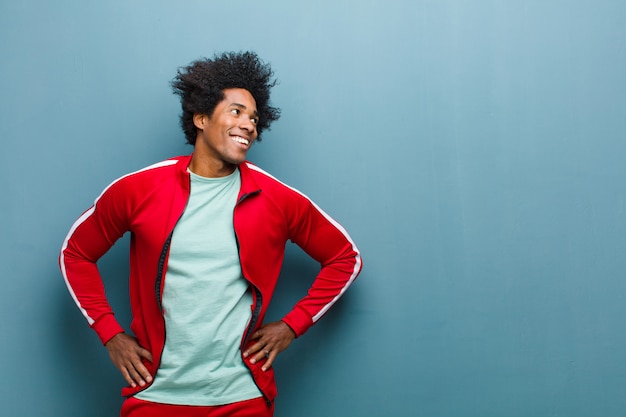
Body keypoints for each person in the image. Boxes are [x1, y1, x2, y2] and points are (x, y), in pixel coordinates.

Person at [59, 51, 362, 417]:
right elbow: (75, 253)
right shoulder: (139, 189)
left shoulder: (277, 199)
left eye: (253, 118)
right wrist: (109, 333)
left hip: (242, 397)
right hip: (156, 395)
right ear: (201, 118)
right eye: (236, 112)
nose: (249, 125)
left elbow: (346, 257)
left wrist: (291, 325)